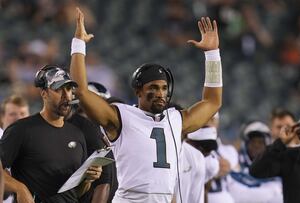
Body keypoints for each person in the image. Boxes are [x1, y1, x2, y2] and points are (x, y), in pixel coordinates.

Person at [70, 8, 222, 203]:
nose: (160, 93)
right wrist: (79, 44)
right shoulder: (121, 116)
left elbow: (212, 101)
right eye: (153, 87)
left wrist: (212, 54)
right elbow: (81, 91)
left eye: (164, 88)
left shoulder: (176, 119)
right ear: (138, 91)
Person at [0, 65, 103, 203]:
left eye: (68, 89)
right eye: (58, 89)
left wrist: (88, 180)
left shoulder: (77, 134)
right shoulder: (21, 129)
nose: (66, 96)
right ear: (44, 93)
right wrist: (19, 188)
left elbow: (76, 192)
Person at [228, 121, 283, 203]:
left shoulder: (274, 168)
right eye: (253, 142)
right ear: (245, 144)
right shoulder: (234, 164)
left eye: (260, 142)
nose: (256, 146)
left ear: (267, 145)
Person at [174, 126, 219, 203]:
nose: (205, 153)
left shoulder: (210, 163)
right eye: (202, 147)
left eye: (208, 150)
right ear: (188, 140)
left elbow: (204, 191)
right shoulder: (176, 152)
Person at [0, 95, 30, 203]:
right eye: (12, 114)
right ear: (2, 118)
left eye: (22, 113)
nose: (19, 118)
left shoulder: (33, 142)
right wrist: (18, 187)